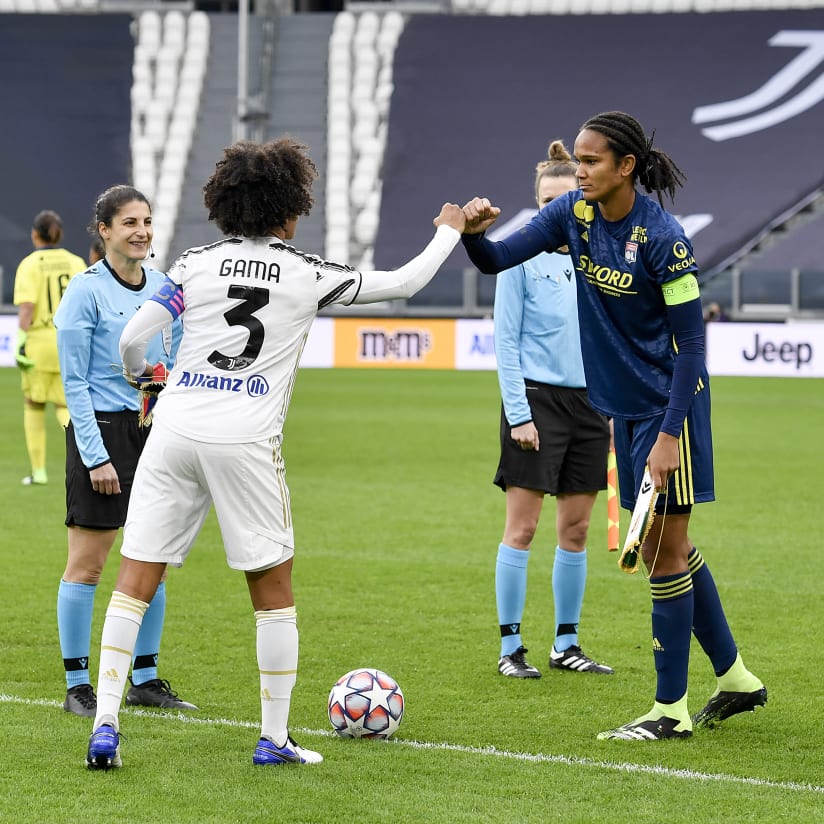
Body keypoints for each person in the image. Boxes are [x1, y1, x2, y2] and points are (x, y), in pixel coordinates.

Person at [84, 136, 467, 770]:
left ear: (226, 204)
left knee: (136, 580)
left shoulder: (195, 262)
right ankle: (274, 738)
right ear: (290, 208)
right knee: (271, 589)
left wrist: (142, 376)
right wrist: (449, 231)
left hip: (175, 428)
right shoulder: (308, 274)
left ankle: (104, 725)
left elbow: (132, 336)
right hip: (244, 440)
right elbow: (404, 282)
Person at [460, 111, 766, 740]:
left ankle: (669, 711)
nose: (581, 169)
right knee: (660, 547)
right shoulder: (572, 214)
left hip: (668, 407)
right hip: (623, 410)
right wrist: (471, 232)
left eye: (593, 160)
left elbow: (692, 347)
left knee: (665, 551)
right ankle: (735, 677)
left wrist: (669, 435)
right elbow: (495, 259)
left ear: (627, 166)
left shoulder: (663, 239)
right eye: (578, 158)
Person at [54, 185, 197, 718]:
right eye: (129, 222)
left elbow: (179, 358)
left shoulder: (165, 287)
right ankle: (77, 685)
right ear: (105, 231)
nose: (141, 231)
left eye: (147, 221)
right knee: (87, 565)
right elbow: (75, 384)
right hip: (103, 434)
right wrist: (95, 456)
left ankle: (145, 678)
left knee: (151, 556)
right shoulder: (84, 293)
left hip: (154, 431)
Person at [493, 141, 613, 680]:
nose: (552, 210)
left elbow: (613, 340)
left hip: (591, 406)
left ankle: (566, 644)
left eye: (562, 200)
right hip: (536, 403)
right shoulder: (520, 257)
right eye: (544, 201)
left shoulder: (600, 257)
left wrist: (612, 408)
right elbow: (506, 342)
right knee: (522, 530)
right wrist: (519, 413)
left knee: (578, 530)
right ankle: (510, 648)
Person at [13, 210, 86, 486]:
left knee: (33, 403)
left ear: (35, 234)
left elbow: (28, 306)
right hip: (70, 341)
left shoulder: (30, 264)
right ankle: (88, 456)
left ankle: (39, 472)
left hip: (40, 341)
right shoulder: (76, 262)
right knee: (66, 404)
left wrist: (21, 341)